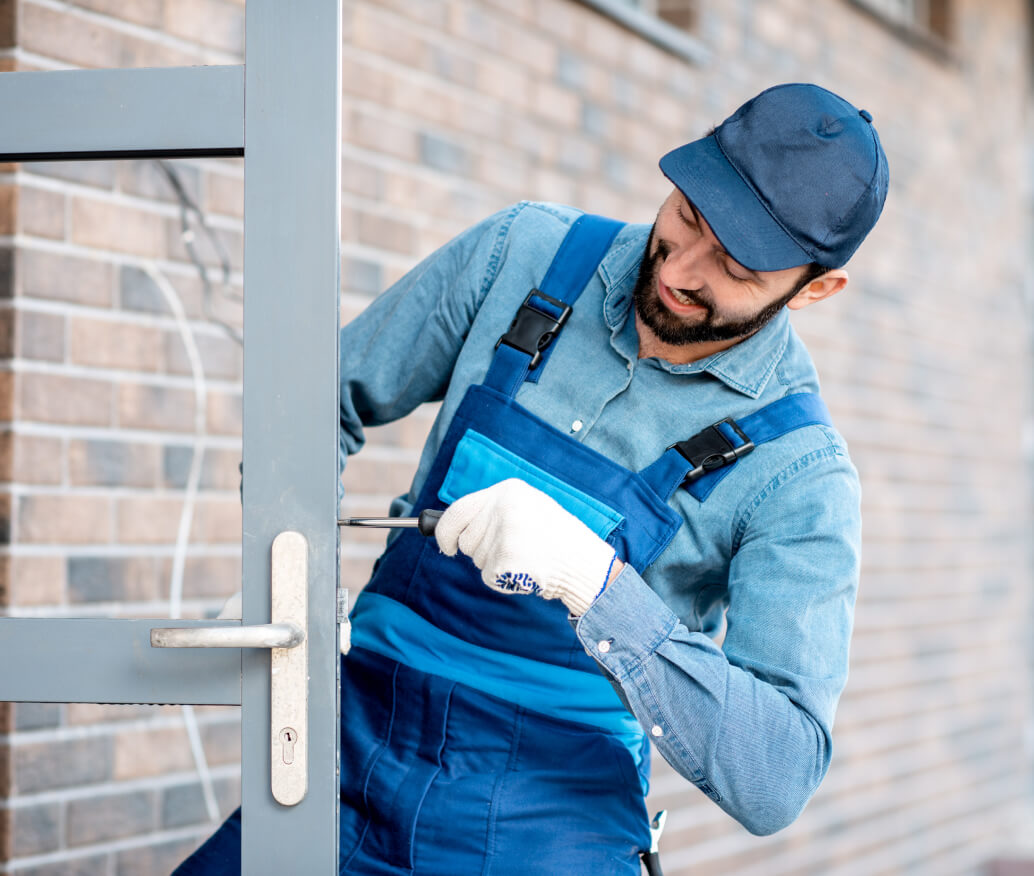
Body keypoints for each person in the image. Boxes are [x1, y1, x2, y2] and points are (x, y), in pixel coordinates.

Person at [176, 82, 888, 875]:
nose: (679, 269)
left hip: (547, 821)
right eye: (688, 214)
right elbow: (309, 409)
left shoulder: (798, 475)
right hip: (344, 749)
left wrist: (595, 584)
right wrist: (290, 567)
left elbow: (777, 774)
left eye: (733, 264)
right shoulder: (523, 254)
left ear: (815, 288)